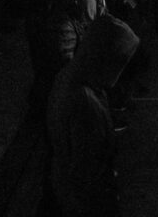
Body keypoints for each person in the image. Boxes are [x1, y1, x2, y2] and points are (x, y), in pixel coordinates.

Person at [46, 14, 140, 217]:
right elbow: (87, 170)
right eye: (120, 62)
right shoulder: (84, 101)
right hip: (85, 201)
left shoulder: (74, 75)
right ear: (107, 57)